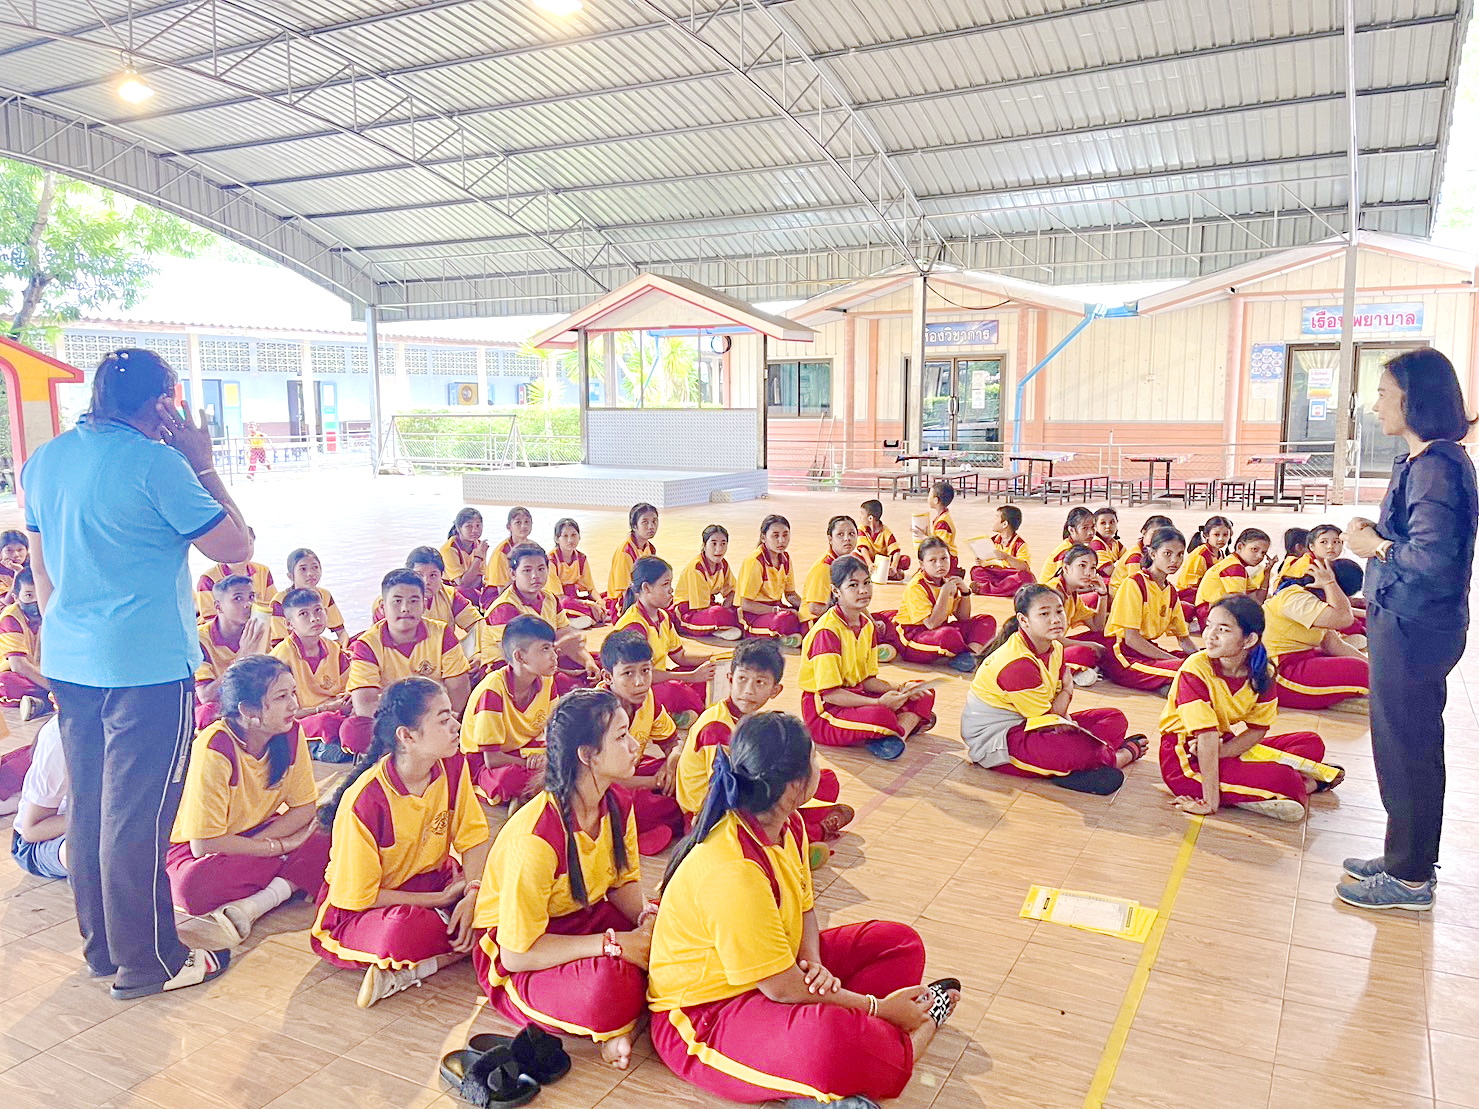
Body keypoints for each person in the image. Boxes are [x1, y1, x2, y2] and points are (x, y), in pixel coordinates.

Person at [23, 346, 252, 998]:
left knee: (93, 806)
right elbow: (236, 546)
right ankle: (151, 960)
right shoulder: (158, 463)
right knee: (140, 816)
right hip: (144, 667)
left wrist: (65, 644)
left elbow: (42, 572)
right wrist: (203, 461)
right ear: (161, 403)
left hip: (71, 661)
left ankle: (106, 950)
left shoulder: (46, 461)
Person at [647, 711, 961, 1107]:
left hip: (780, 973)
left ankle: (839, 1063)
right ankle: (916, 1033)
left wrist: (814, 967)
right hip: (706, 1016)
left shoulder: (789, 824)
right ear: (795, 786)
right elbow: (781, 989)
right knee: (831, 1041)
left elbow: (805, 909)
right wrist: (877, 1007)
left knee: (899, 944)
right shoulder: (733, 869)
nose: (819, 765)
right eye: (814, 758)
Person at [1339, 348, 1478, 910]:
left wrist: (1374, 546)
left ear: (1413, 400)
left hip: (1416, 624)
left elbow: (1432, 560)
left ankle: (1411, 876)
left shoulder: (1438, 467)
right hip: (1402, 618)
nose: (1375, 406)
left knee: (1409, 747)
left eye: (1383, 394)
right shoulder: (1422, 462)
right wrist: (1376, 535)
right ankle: (1404, 855)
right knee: (1398, 743)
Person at [471, 689, 651, 1070]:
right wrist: (613, 945)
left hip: (586, 917)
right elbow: (517, 953)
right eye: (621, 737)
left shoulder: (618, 802)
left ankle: (628, 1022)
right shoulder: (536, 838)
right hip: (522, 947)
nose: (635, 745)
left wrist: (647, 919)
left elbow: (621, 884)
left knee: (680, 933)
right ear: (587, 755)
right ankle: (633, 1016)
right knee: (606, 991)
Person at [312, 677, 491, 1008]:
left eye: (452, 715)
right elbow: (362, 897)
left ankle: (425, 958)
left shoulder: (453, 764)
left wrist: (473, 893)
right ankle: (432, 959)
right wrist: (441, 899)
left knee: (503, 898)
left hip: (437, 882)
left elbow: (474, 838)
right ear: (406, 736)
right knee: (400, 931)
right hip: (367, 910)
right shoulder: (365, 800)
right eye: (443, 719)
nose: (456, 725)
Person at [166, 656, 329, 944]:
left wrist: (261, 845)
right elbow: (204, 844)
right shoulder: (215, 747)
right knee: (192, 888)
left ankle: (255, 904)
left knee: (331, 829)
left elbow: (304, 808)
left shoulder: (291, 732)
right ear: (247, 710)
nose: (294, 704)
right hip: (201, 848)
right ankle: (288, 882)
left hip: (258, 832)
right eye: (281, 697)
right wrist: (281, 848)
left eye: (292, 693)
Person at [1160, 596, 1341, 823]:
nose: (1210, 636)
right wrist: (1210, 802)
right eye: (1209, 625)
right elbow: (1205, 737)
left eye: (1223, 630)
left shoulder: (1262, 671)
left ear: (1249, 640)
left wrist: (1224, 752)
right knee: (1283, 778)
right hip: (1186, 758)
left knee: (1310, 742)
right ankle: (1307, 784)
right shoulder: (1195, 667)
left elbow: (1258, 729)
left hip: (1220, 744)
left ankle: (1264, 789)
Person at [962, 584, 1144, 794]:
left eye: (1059, 611)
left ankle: (1080, 764)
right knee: (1080, 750)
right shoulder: (1017, 663)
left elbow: (1056, 715)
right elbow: (1048, 719)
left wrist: (1071, 721)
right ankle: (1118, 758)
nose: (1056, 619)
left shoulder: (1055, 647)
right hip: (1000, 741)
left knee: (1114, 718)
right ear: (1023, 620)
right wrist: (1067, 690)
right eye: (1044, 614)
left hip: (1034, 724)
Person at [674, 641, 850, 854]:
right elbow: (721, 793)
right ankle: (814, 834)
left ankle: (806, 830)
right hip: (707, 815)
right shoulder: (716, 728)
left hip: (740, 796)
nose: (748, 691)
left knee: (824, 780)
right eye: (742, 679)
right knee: (783, 821)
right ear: (730, 679)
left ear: (775, 690)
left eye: (760, 682)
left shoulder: (747, 719)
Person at [799, 556, 936, 761]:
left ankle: (896, 735)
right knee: (881, 715)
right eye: (853, 585)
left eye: (867, 583)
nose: (863, 590)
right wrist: (880, 702)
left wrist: (901, 688)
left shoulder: (867, 624)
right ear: (836, 591)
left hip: (856, 695)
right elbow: (831, 695)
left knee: (923, 690)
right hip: (826, 713)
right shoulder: (827, 632)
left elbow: (868, 680)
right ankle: (903, 724)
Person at [342, 569, 472, 755]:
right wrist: (413, 728)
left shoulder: (442, 634)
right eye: (397, 601)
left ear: (424, 604)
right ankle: (418, 747)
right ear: (383, 607)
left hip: (438, 714)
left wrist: (444, 719)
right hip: (394, 720)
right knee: (353, 732)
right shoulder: (367, 644)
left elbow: (458, 687)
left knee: (476, 710)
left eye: (413, 601)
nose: (405, 608)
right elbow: (365, 703)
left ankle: (411, 749)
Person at [598, 629, 685, 855]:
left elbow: (673, 742)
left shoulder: (647, 699)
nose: (640, 682)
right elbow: (602, 779)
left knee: (688, 770)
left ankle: (656, 824)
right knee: (636, 806)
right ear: (607, 677)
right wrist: (655, 782)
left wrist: (671, 763)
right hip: (601, 788)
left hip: (633, 771)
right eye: (628, 673)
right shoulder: (596, 712)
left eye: (646, 671)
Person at [461, 615, 560, 804]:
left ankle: (530, 793)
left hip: (526, 748)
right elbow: (491, 759)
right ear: (520, 656)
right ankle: (535, 790)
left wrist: (546, 757)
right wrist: (531, 764)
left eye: (553, 648)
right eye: (545, 649)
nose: (554, 656)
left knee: (573, 756)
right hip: (486, 761)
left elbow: (556, 731)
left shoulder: (547, 679)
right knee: (507, 779)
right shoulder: (493, 690)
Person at [477, 543, 598, 689]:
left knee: (603, 665)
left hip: (546, 658)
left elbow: (567, 638)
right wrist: (566, 667)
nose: (535, 576)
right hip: (512, 669)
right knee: (572, 685)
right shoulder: (504, 608)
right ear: (513, 574)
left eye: (541, 569)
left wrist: (588, 662)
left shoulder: (550, 599)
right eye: (527, 570)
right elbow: (519, 658)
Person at [612, 557, 714, 722]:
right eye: (665, 584)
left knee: (707, 675)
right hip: (637, 687)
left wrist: (713, 659)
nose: (671, 590)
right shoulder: (634, 626)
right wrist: (691, 677)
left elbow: (680, 656)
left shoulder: (663, 617)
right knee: (675, 689)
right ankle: (664, 715)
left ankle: (670, 715)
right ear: (646, 588)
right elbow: (642, 675)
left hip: (657, 679)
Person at [1262, 560, 1369, 709]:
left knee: (1365, 666)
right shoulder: (1296, 598)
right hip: (1277, 674)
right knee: (1360, 670)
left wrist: (1375, 667)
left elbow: (1333, 645)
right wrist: (1330, 583)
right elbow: (1344, 619)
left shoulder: (1316, 601)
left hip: (1300, 659)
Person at [1101, 526, 1195, 691]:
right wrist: (1172, 660)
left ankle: (1165, 684)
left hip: (1145, 648)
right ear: (1152, 554)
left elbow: (1184, 639)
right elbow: (1131, 639)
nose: (1175, 560)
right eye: (1167, 553)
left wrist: (1202, 658)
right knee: (1188, 670)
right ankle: (1168, 684)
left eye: (1180, 554)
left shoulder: (1170, 591)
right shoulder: (1135, 583)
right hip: (1122, 654)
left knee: (1202, 662)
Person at [271, 588, 353, 762]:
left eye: (318, 610)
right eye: (304, 614)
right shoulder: (281, 657)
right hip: (301, 718)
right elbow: (281, 712)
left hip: (336, 711)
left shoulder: (333, 648)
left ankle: (331, 744)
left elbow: (350, 685)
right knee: (325, 721)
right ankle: (317, 748)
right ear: (289, 624)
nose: (314, 618)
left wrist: (349, 699)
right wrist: (326, 708)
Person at [895, 537, 996, 672]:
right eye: (932, 560)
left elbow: (963, 618)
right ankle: (972, 654)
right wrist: (945, 592)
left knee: (986, 620)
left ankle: (970, 655)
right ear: (922, 564)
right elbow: (931, 624)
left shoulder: (946, 581)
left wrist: (965, 592)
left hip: (938, 629)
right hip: (913, 638)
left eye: (944, 558)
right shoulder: (916, 586)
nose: (940, 565)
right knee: (948, 634)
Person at [195, 575, 271, 728]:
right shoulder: (200, 639)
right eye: (238, 598)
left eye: (251, 597)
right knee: (208, 711)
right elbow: (206, 696)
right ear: (218, 607)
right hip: (215, 707)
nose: (248, 604)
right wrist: (241, 659)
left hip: (246, 701)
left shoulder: (257, 631)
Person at [375, 546, 481, 641]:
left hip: (444, 653)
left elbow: (478, 627)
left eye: (433, 575)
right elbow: (380, 641)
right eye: (419, 575)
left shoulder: (450, 596)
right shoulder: (389, 603)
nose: (426, 582)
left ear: (442, 576)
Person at [10, 716, 68, 880]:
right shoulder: (60, 733)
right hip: (40, 840)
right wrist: (104, 819)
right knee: (89, 849)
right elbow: (32, 830)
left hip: (110, 824)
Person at [1043, 544, 1111, 681]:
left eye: (1092, 568)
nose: (1088, 573)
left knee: (1107, 637)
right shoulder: (1053, 592)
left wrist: (1103, 595)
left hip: (1056, 645)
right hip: (1042, 651)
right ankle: (1073, 670)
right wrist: (1091, 645)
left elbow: (1097, 627)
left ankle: (1082, 668)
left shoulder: (1073, 595)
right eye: (1082, 566)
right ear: (1066, 568)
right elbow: (1051, 638)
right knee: (1085, 652)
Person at [735, 515, 804, 645]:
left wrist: (806, 607)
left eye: (785, 535)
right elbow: (746, 604)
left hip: (776, 608)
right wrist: (777, 610)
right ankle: (783, 636)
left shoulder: (785, 558)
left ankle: (786, 636)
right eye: (775, 536)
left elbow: (790, 594)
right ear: (763, 537)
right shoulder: (755, 561)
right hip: (753, 615)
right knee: (784, 619)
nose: (781, 540)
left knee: (806, 616)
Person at [259, 548, 347, 645]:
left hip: (314, 645)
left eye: (315, 567)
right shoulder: (280, 601)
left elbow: (341, 632)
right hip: (287, 649)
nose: (310, 573)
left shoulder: (324, 595)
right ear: (291, 576)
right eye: (303, 569)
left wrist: (343, 647)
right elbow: (278, 643)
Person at [674, 524, 743, 640]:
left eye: (723, 544)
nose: (719, 549)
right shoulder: (697, 567)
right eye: (714, 544)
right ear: (704, 545)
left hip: (709, 606)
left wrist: (727, 607)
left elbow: (734, 591)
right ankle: (718, 627)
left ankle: (720, 627)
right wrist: (724, 611)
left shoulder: (723, 564)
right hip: (689, 612)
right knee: (718, 613)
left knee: (739, 609)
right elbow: (700, 607)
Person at [0, 568, 53, 719]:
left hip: (43, 671)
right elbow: (19, 666)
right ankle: (50, 700)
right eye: (29, 595)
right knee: (8, 683)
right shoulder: (10, 618)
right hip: (15, 672)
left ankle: (39, 703)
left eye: (40, 594)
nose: (36, 601)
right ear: (16, 598)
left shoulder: (50, 613)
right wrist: (55, 688)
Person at [1193, 528, 1273, 626]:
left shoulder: (1236, 564)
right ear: (1240, 547)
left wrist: (1267, 574)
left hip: (1214, 611)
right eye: (1254, 549)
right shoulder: (1234, 567)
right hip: (1211, 614)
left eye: (1263, 553)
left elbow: (1257, 600)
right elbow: (1239, 605)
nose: (1260, 556)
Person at [801, 516, 866, 624]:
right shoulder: (823, 567)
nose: (847, 538)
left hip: (838, 618)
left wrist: (872, 622)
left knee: (885, 620)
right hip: (818, 624)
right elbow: (815, 609)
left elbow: (856, 603)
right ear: (830, 539)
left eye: (851, 534)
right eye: (840, 534)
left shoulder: (851, 563)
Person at [550, 518, 607, 629]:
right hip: (559, 602)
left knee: (608, 597)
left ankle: (589, 615)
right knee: (565, 604)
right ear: (557, 539)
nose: (570, 540)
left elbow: (591, 589)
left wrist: (600, 602)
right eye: (565, 536)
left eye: (573, 535)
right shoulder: (551, 560)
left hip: (575, 600)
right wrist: (588, 604)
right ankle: (592, 616)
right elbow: (559, 598)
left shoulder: (581, 558)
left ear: (579, 537)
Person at [195, 542, 274, 620]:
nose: (242, 549)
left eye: (248, 542)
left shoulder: (263, 571)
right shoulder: (208, 579)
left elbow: (272, 607)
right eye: (233, 544)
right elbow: (209, 618)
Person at [969, 504, 1035, 597]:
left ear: (1005, 524)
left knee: (1026, 577)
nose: (993, 521)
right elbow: (986, 562)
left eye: (996, 518)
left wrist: (1006, 557)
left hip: (1011, 574)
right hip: (995, 572)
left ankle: (984, 588)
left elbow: (1024, 567)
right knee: (976, 571)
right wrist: (980, 561)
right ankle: (1001, 588)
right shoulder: (992, 540)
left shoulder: (1020, 545)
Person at [607, 503, 659, 620]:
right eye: (645, 522)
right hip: (625, 602)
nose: (651, 526)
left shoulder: (650, 548)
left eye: (654, 521)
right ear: (634, 525)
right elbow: (625, 591)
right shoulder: (625, 553)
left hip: (644, 595)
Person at [1175, 515, 1234, 615]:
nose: (1221, 539)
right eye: (1216, 535)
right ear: (1206, 535)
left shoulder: (1220, 553)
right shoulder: (1200, 555)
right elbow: (1190, 585)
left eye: (1225, 535)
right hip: (1191, 596)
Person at [1110, 514, 1173, 595]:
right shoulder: (1135, 557)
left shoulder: (1151, 552)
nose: (1156, 539)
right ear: (1144, 532)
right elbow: (1136, 585)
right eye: (1153, 534)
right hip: (1121, 595)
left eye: (1162, 537)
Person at [483, 506, 535, 603]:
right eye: (518, 522)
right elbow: (501, 591)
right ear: (509, 527)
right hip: (497, 596)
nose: (523, 526)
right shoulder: (502, 552)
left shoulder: (533, 547)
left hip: (524, 590)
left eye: (527, 522)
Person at [441, 507, 490, 598]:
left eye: (478, 525)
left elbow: (480, 577)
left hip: (473, 588)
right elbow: (462, 584)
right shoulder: (449, 549)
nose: (475, 530)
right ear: (459, 528)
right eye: (469, 526)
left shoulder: (479, 545)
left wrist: (470, 584)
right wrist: (478, 557)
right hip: (452, 592)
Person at [858, 499, 910, 581]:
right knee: (854, 557)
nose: (860, 517)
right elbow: (863, 549)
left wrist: (893, 566)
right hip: (869, 561)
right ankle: (885, 574)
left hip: (883, 563)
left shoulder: (885, 531)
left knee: (905, 560)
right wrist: (870, 564)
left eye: (861, 514)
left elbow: (896, 551)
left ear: (870, 518)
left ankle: (887, 572)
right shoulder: (862, 529)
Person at [1038, 507, 1095, 582]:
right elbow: (1065, 582)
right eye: (1085, 528)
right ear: (1071, 530)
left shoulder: (1079, 548)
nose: (1091, 532)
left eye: (1092, 527)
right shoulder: (1066, 552)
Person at [915, 480, 959, 565]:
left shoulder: (942, 522)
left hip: (947, 559)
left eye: (929, 495)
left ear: (936, 500)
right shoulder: (944, 516)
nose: (928, 498)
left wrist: (924, 537)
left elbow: (939, 545)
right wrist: (928, 535)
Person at [1089, 506, 1123, 576]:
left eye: (1112, 522)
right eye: (1103, 523)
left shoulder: (1115, 543)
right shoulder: (1096, 545)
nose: (1108, 526)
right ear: (1095, 526)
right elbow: (1110, 571)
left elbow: (1128, 558)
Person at [0, 529, 30, 601]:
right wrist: (18, 571)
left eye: (20, 550)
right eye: (9, 550)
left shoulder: (34, 566)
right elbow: (7, 601)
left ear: (27, 551)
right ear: (1, 553)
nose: (16, 555)